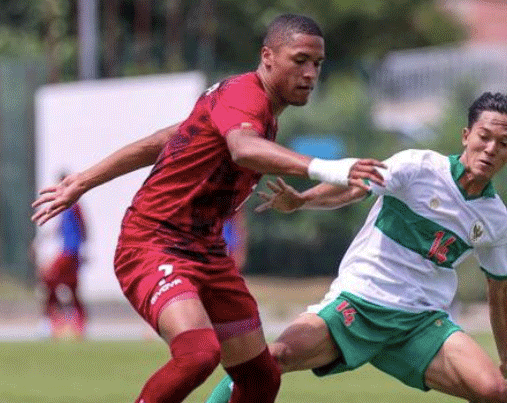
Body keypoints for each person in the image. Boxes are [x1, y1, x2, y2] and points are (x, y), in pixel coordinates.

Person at [31, 14, 385, 403]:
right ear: (267, 56)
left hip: (208, 254)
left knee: (260, 378)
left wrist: (85, 179)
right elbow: (243, 149)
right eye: (299, 60)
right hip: (153, 244)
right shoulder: (243, 94)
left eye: (317, 64)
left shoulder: (257, 112)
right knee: (198, 355)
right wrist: (330, 169)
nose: (310, 73)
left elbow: (166, 139)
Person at [205, 92, 507, 403]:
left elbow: (499, 287)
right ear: (466, 135)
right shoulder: (418, 167)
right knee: (271, 360)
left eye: (504, 143)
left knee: (494, 392)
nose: (491, 148)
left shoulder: (495, 220)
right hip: (360, 304)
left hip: (420, 323)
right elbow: (356, 188)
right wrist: (303, 201)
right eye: (485, 137)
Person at [35, 172, 88, 339]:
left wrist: (84, 249)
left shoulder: (75, 205)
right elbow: (59, 227)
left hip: (69, 252)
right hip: (71, 253)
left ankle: (53, 322)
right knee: (69, 288)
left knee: (48, 279)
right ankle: (74, 323)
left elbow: (83, 228)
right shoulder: (66, 206)